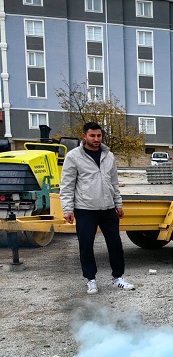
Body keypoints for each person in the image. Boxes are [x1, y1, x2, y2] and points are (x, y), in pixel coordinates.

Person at [60, 121, 135, 294]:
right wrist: (67, 209)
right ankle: (91, 280)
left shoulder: (109, 155)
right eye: (92, 135)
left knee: (115, 244)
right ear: (84, 136)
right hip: (85, 209)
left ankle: (118, 278)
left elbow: (114, 183)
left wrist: (118, 204)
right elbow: (67, 185)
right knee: (86, 245)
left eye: (99, 135)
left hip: (108, 208)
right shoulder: (74, 156)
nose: (96, 139)